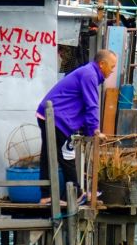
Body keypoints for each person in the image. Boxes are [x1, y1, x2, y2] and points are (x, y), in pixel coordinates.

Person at [37, 49, 117, 204]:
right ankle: (73, 193)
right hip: (56, 117)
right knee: (65, 155)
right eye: (112, 67)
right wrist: (95, 131)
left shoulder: (89, 73)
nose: (112, 70)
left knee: (51, 155)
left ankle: (53, 195)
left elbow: (85, 106)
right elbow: (91, 105)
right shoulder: (89, 75)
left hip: (52, 116)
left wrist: (89, 131)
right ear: (102, 64)